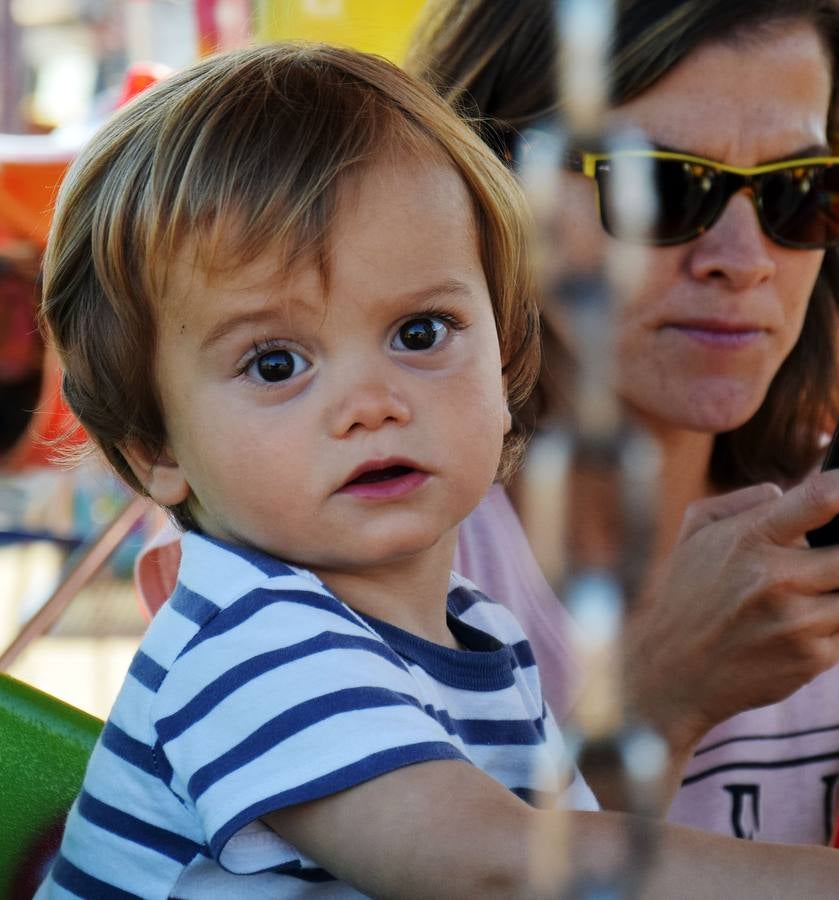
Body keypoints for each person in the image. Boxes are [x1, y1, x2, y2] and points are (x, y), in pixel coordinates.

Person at [33, 41, 839, 898]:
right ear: (155, 446)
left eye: (420, 333)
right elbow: (492, 868)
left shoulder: (481, 637)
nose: (371, 403)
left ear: (505, 356)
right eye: (275, 364)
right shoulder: (248, 639)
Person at [403, 0, 839, 843]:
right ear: (487, 183)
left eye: (800, 191)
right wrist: (657, 702)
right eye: (661, 185)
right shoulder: (361, 557)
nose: (742, 261)